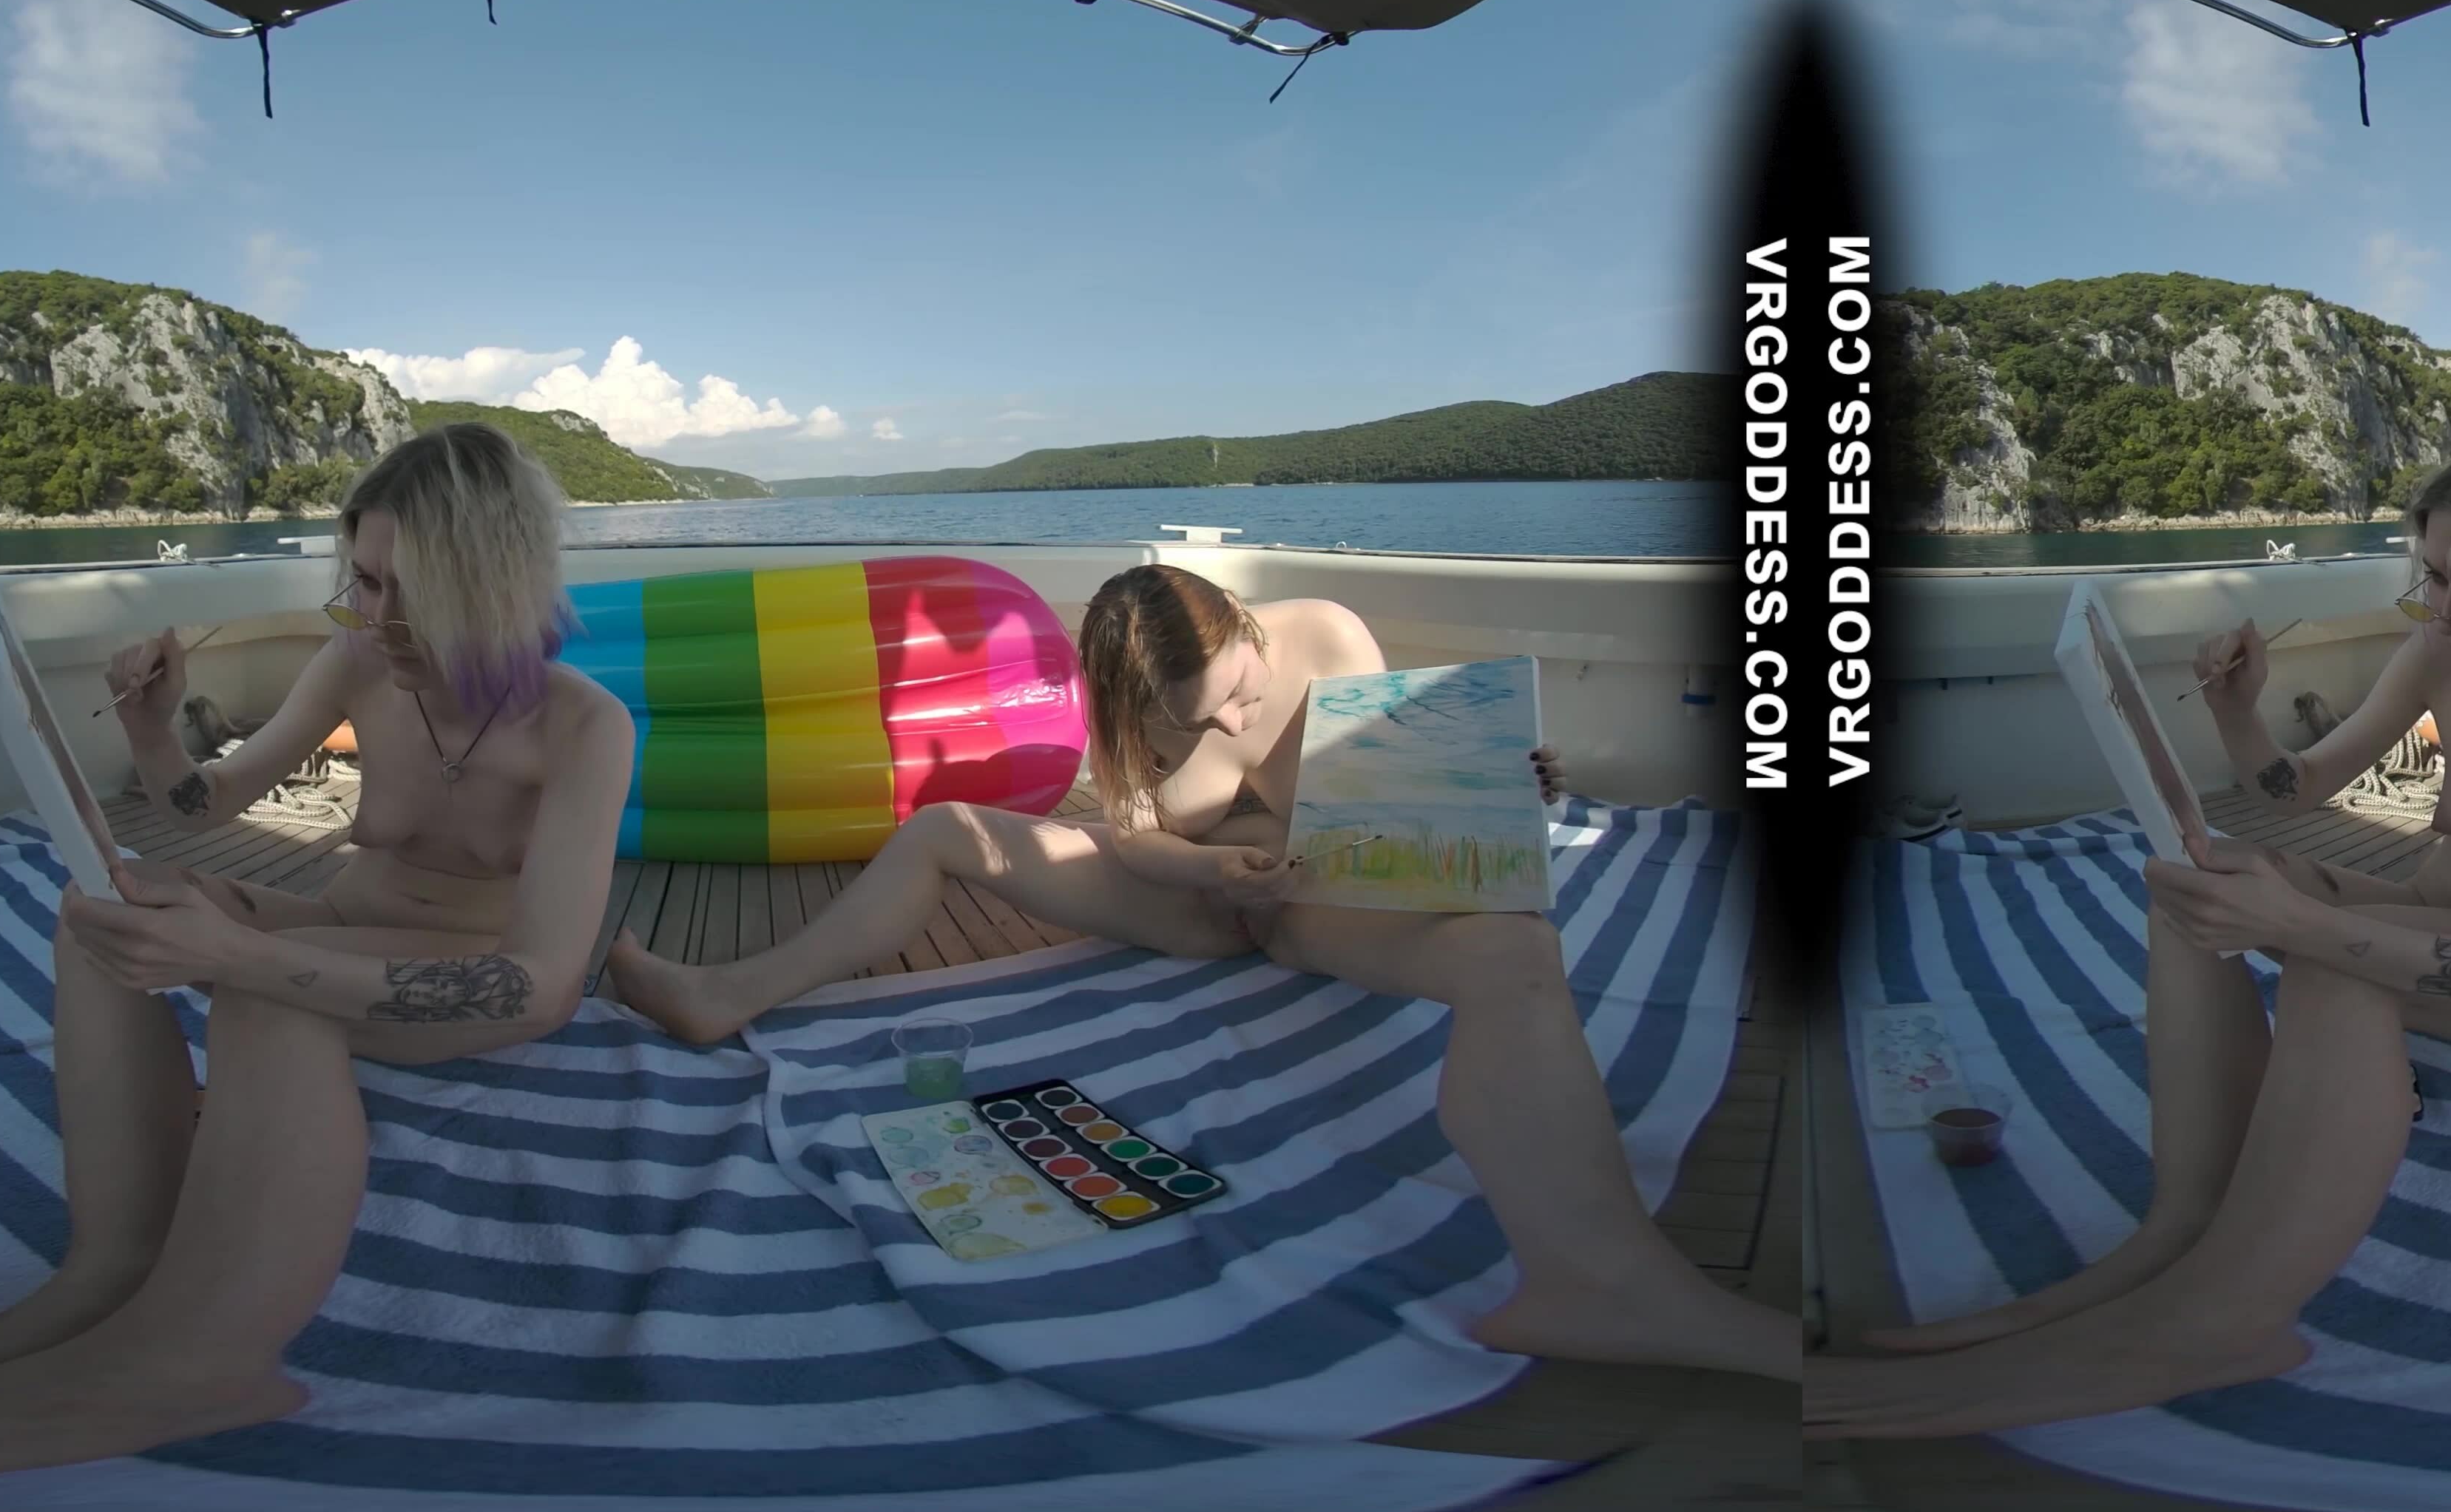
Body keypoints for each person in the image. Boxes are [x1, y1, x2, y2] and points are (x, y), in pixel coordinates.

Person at [0, 423, 631, 1489]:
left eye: (411, 594)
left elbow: (537, 985)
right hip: (341, 920)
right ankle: (111, 1267)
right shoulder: (360, 664)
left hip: (461, 986)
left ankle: (196, 1362)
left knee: (270, 996)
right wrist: (150, 725)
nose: (374, 617)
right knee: (108, 904)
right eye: (365, 582)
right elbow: (202, 806)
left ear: (495, 586)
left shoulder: (581, 728)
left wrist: (246, 957)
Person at [605, 563, 1795, 1383]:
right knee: (944, 830)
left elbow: (1397, 785)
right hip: (1209, 893)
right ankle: (729, 993)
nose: (1226, 731)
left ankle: (1595, 1276)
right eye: (1195, 722)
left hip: (1324, 886)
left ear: (1251, 632)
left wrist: (1507, 779)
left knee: (1514, 948)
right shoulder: (1136, 714)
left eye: (1235, 698)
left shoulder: (1328, 635)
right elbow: (1134, 837)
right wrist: (1214, 866)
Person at [1808, 427, 2451, 1437]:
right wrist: (2239, 710)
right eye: (2434, 578)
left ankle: (2226, 1318)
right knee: (2201, 883)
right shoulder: (2438, 660)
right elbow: (2294, 789)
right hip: (2428, 907)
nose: (2440, 609)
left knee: (2330, 964)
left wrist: (2312, 927)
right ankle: (2183, 1220)